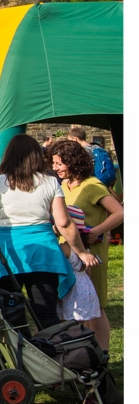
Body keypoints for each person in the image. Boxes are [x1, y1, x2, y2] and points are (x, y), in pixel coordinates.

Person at [0, 134, 97, 333]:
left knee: (11, 316)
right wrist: (81, 251)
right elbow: (64, 222)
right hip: (43, 252)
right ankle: (51, 359)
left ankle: (18, 360)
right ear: (36, 155)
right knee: (46, 315)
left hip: (7, 253)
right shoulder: (50, 183)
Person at [51, 139, 121, 353]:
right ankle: (83, 353)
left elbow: (120, 212)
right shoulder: (63, 186)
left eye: (59, 163)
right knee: (78, 307)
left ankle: (102, 354)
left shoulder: (92, 186)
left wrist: (97, 231)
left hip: (92, 254)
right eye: (53, 163)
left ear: (73, 162)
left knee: (95, 306)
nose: (55, 168)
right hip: (70, 256)